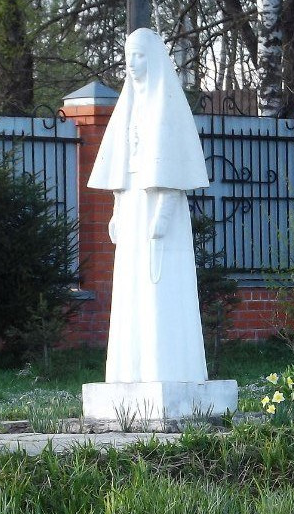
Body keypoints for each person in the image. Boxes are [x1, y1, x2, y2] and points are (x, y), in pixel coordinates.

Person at [88, 28, 210, 384]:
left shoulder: (167, 106)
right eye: (128, 57)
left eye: (139, 56)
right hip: (132, 210)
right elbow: (122, 166)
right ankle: (132, 371)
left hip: (158, 213)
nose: (132, 64)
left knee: (160, 292)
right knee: (132, 292)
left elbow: (172, 167)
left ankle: (167, 371)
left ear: (154, 60)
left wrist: (165, 212)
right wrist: (116, 209)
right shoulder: (129, 106)